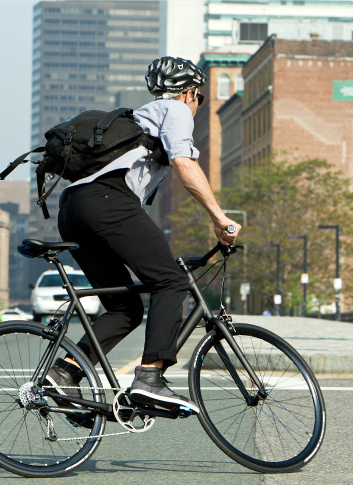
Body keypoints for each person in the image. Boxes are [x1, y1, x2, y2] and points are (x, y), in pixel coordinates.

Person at [45, 57, 241, 415]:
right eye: (199, 99)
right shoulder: (176, 109)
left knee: (125, 308)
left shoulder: (139, 118)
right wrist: (220, 219)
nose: (197, 105)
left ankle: (64, 372)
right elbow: (184, 163)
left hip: (73, 208)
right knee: (170, 281)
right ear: (190, 93)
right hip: (107, 202)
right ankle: (149, 378)